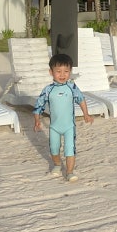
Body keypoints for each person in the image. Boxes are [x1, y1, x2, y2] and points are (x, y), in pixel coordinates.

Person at [33, 53, 93, 182]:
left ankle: (70, 172)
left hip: (69, 127)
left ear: (70, 72)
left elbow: (81, 100)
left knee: (69, 149)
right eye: (58, 71)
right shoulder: (48, 90)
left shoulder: (72, 87)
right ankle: (57, 165)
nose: (62, 75)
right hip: (54, 127)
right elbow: (39, 105)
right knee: (54, 148)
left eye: (66, 71)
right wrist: (37, 120)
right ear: (51, 72)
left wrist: (86, 114)